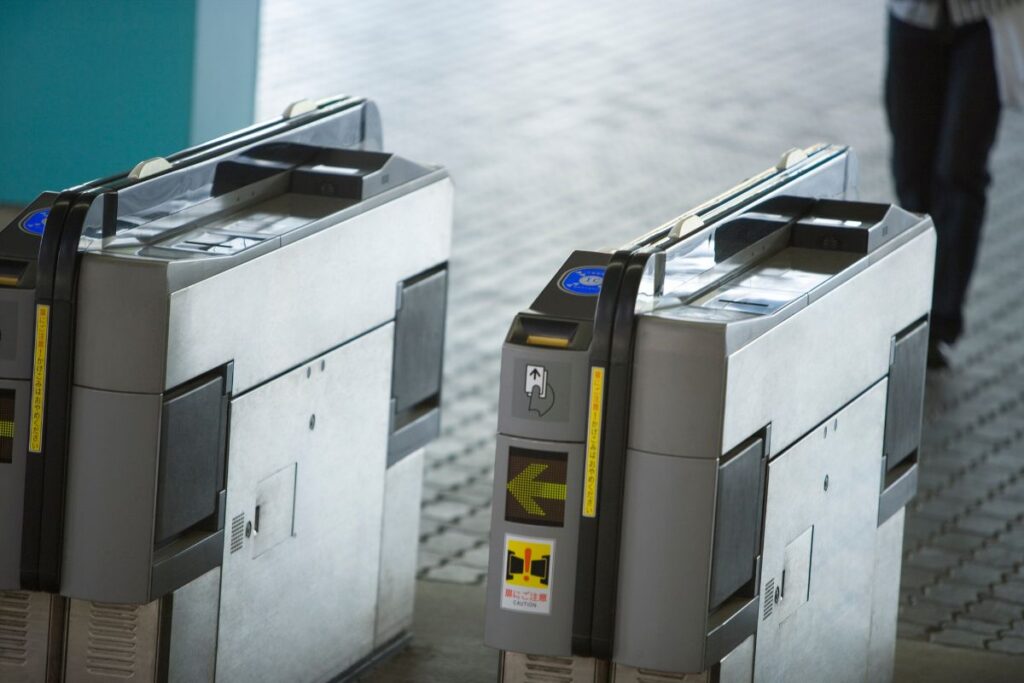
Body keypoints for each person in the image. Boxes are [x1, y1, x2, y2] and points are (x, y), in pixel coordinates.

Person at [885, 0, 1020, 368]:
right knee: (910, 170)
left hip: (985, 18)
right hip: (911, 15)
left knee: (959, 172)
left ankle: (939, 321)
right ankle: (910, 309)